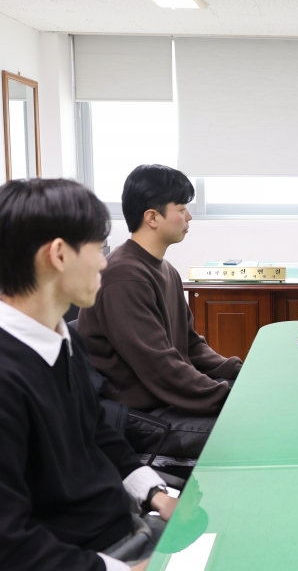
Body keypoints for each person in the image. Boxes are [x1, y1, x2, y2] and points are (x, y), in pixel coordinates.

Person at [0, 179, 178, 571]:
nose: (104, 262)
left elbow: (96, 430)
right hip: (89, 558)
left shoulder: (60, 339)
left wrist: (155, 494)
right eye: (98, 248)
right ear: (59, 254)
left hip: (125, 531)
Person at [78, 165, 242, 460]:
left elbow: (191, 346)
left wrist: (238, 373)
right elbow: (161, 368)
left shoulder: (166, 269)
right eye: (181, 208)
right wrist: (229, 396)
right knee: (253, 428)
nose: (189, 217)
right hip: (143, 417)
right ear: (152, 217)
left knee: (261, 403)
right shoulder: (124, 277)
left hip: (168, 399)